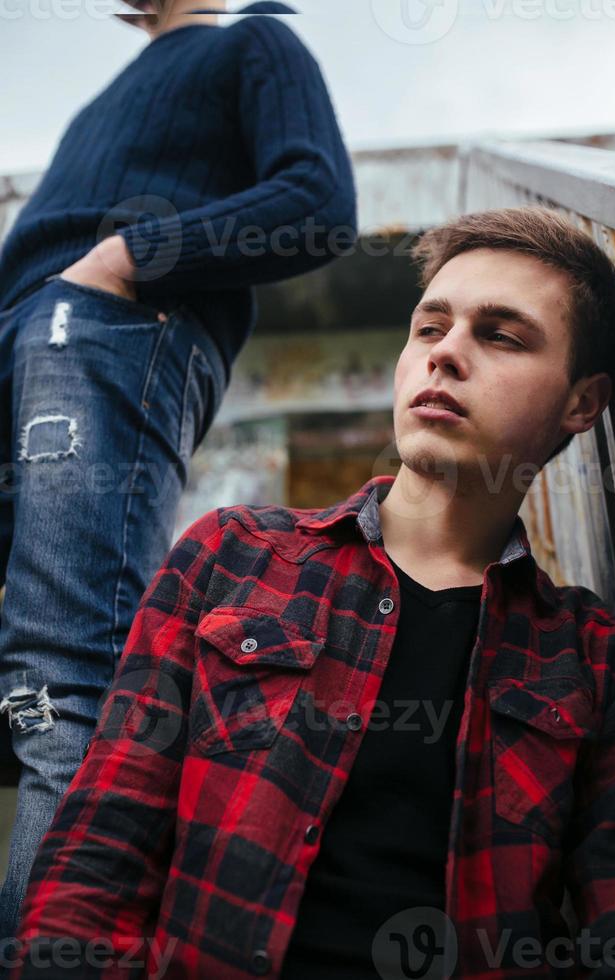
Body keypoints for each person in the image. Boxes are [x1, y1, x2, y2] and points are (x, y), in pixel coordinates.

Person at [8, 207, 615, 979]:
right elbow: (99, 852)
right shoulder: (229, 555)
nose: (444, 355)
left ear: (583, 403)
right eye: (429, 328)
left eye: (500, 335)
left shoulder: (600, 661)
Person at [0, 0, 357, 941]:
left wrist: (127, 258)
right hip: (30, 336)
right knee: (33, 691)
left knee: (63, 680)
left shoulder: (253, 40)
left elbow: (317, 201)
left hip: (106, 328)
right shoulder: (97, 103)